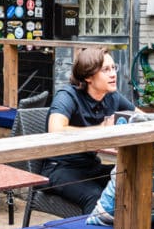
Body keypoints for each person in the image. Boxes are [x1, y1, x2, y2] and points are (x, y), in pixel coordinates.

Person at [43, 47, 135, 213]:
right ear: (88, 76)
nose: (113, 74)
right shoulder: (68, 95)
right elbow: (55, 131)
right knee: (96, 197)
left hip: (91, 166)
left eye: (114, 68)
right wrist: (100, 130)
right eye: (106, 70)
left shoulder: (111, 96)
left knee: (133, 180)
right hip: (60, 169)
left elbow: (140, 117)